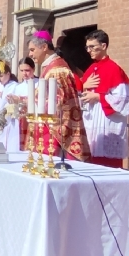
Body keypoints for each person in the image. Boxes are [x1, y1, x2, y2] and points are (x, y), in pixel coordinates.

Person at [27, 31, 90, 162]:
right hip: (47, 128)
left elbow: (60, 104)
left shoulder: (57, 70)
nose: (30, 54)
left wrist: (27, 103)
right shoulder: (50, 67)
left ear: (44, 47)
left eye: (32, 50)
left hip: (55, 133)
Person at [79, 30, 129, 168]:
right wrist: (83, 88)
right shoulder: (90, 69)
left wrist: (97, 96)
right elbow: (81, 96)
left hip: (107, 124)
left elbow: (123, 100)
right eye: (87, 47)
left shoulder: (114, 69)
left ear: (103, 46)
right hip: (91, 124)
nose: (89, 50)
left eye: (92, 47)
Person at [2, 59, 34, 152]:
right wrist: (11, 101)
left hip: (30, 122)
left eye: (27, 70)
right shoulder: (18, 87)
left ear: (33, 69)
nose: (25, 73)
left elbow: (37, 102)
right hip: (18, 121)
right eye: (22, 70)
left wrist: (20, 100)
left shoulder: (39, 84)